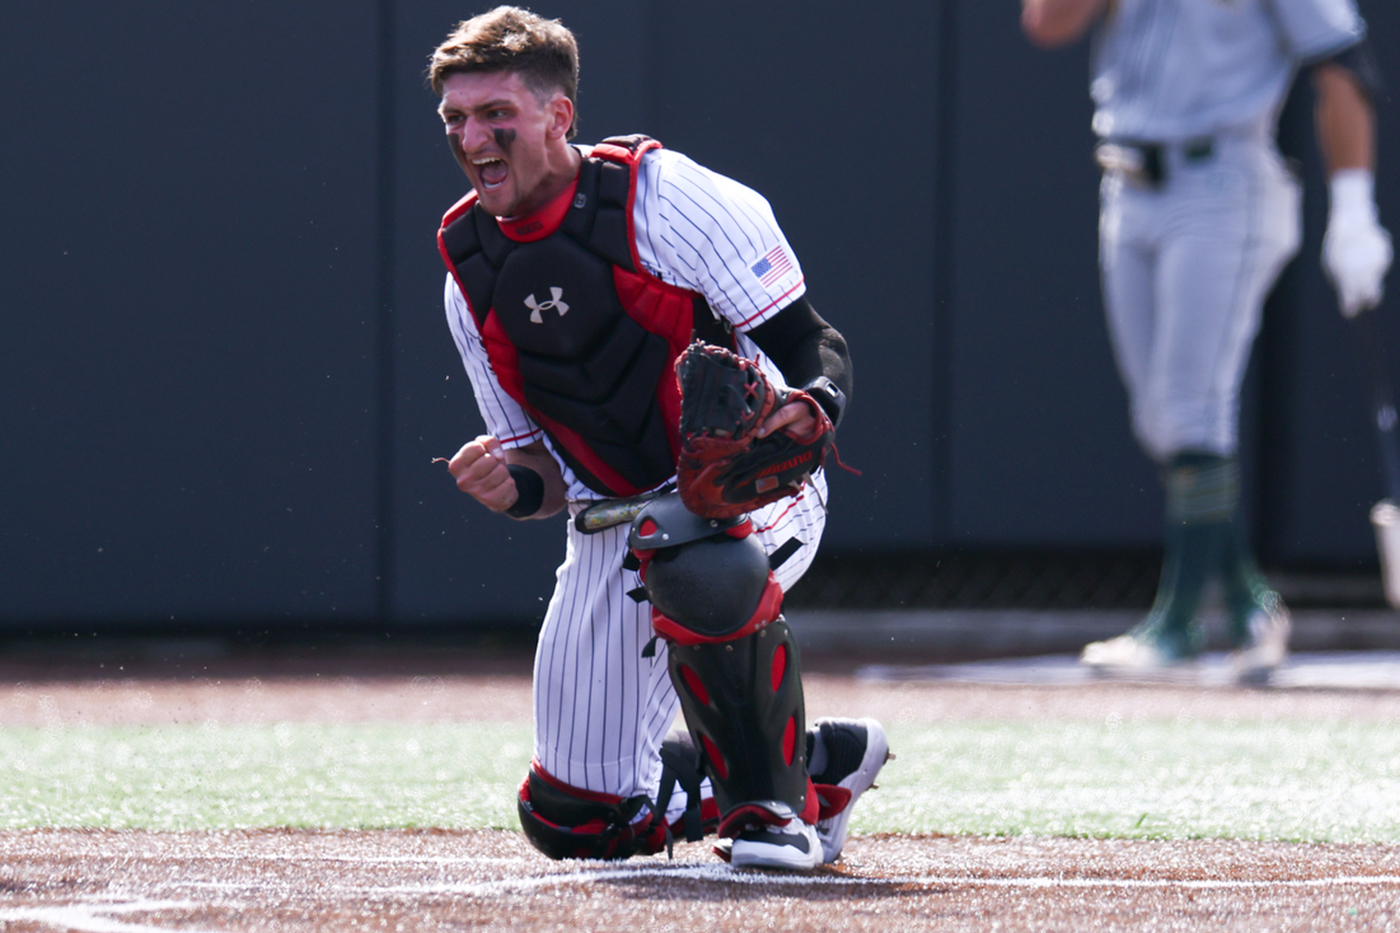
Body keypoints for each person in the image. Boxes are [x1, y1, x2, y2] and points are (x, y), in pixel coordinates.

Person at [428, 7, 889, 870]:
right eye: (456, 118)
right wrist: (512, 484)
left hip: (746, 487)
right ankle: (822, 762)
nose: (473, 136)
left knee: (700, 561)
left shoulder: (662, 197)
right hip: (612, 518)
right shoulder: (469, 270)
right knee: (573, 820)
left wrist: (813, 405)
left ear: (558, 115)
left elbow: (809, 340)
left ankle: (770, 813)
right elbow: (544, 469)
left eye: (497, 114)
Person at [1021, 0, 1392, 680]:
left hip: (1223, 180)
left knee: (1191, 409)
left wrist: (1353, 210)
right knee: (1161, 420)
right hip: (1128, 180)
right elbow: (1047, 24)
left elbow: (1342, 63)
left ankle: (1179, 623)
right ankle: (1251, 602)